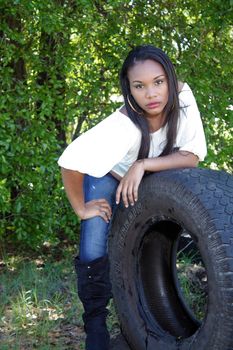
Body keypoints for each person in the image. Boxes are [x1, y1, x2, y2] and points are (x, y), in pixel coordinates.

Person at [58, 45, 207, 350]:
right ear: (129, 89)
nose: (151, 94)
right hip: (108, 174)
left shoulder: (184, 101)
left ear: (170, 79)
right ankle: (96, 326)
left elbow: (191, 156)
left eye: (158, 82)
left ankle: (147, 314)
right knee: (94, 243)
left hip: (144, 172)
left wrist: (142, 164)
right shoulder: (122, 126)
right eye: (139, 86)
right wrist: (81, 208)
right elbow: (70, 161)